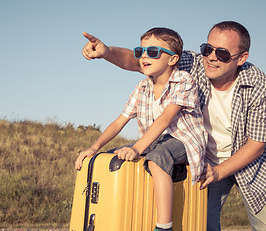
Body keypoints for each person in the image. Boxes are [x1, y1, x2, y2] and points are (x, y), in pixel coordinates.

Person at [80, 21, 266, 231]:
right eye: (207, 49)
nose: (212, 57)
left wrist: (219, 172)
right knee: (202, 224)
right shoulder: (194, 63)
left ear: (241, 58)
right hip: (204, 160)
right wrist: (106, 52)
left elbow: (256, 145)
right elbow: (140, 61)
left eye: (222, 53)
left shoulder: (262, 86)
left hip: (251, 165)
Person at [75, 27, 208, 231]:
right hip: (153, 139)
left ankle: (164, 226)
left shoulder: (184, 81)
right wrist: (94, 148)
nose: (144, 56)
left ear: (172, 60)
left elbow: (164, 120)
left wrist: (137, 149)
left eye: (153, 52)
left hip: (185, 140)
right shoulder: (142, 87)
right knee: (111, 157)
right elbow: (120, 121)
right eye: (141, 52)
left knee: (157, 158)